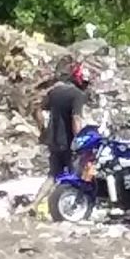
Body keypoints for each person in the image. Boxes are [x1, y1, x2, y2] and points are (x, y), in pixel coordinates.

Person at [30, 62, 91, 212]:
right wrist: (80, 141)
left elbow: (37, 111)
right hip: (69, 143)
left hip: (54, 142)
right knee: (75, 175)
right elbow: (76, 119)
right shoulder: (78, 95)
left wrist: (43, 130)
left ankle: (35, 204)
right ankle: (73, 208)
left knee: (53, 175)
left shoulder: (54, 92)